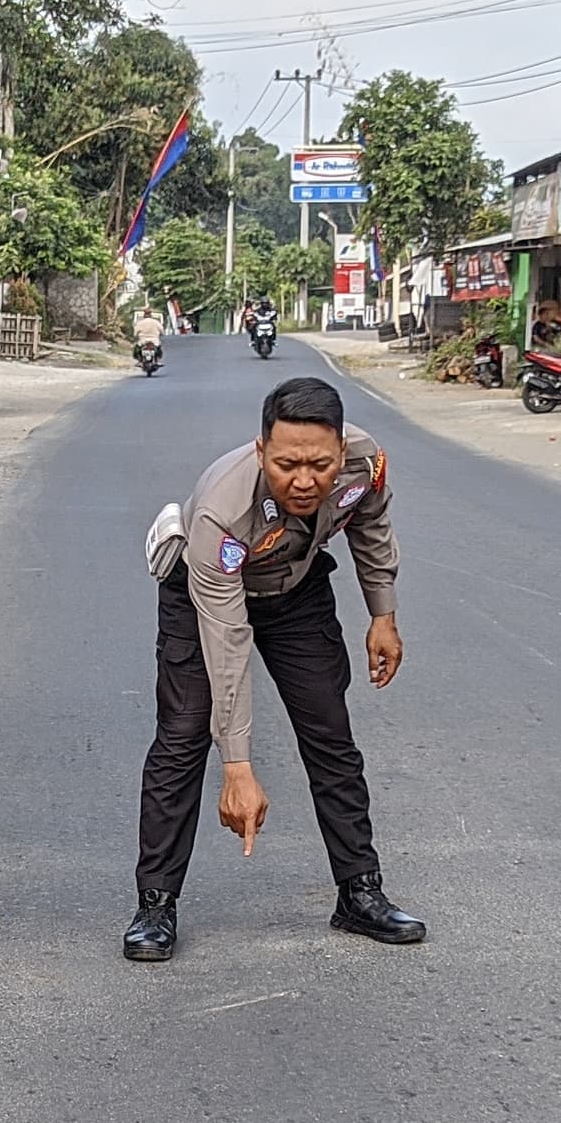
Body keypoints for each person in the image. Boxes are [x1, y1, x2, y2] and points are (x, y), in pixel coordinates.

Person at [124, 376, 427, 961]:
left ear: (342, 450)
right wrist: (238, 766)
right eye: (287, 464)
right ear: (262, 451)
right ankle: (155, 904)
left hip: (296, 585)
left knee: (329, 733)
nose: (305, 480)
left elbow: (370, 525)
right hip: (204, 597)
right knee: (183, 736)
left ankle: (360, 892)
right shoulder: (222, 512)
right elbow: (228, 643)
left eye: (320, 463)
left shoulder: (366, 464)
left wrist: (382, 614)